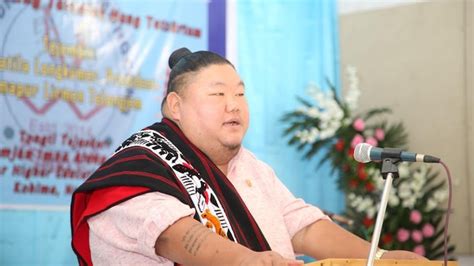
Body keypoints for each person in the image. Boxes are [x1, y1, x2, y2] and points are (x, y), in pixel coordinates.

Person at [71, 48, 426, 265]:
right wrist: (246, 261)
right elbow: (168, 233)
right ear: (175, 106)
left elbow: (302, 225)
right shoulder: (146, 162)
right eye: (217, 94)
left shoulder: (250, 165)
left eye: (240, 94)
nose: (233, 105)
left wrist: (380, 259)